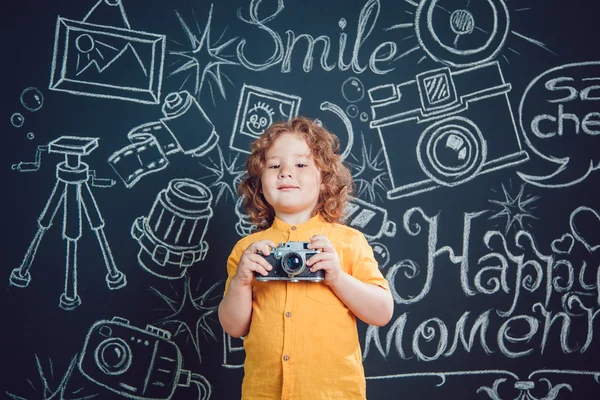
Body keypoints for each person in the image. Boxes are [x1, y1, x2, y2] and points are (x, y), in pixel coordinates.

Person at [218, 116, 394, 399]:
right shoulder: (248, 250)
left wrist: (338, 278)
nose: (286, 173)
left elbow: (382, 312)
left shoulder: (349, 242)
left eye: (301, 164)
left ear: (324, 180)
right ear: (259, 183)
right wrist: (240, 282)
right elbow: (233, 327)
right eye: (274, 166)